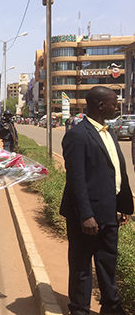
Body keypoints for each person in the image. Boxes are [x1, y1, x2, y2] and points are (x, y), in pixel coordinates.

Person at [60, 86, 133, 315]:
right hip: (87, 216)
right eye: (114, 103)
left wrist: (123, 206)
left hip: (109, 212)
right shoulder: (77, 135)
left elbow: (116, 171)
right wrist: (85, 215)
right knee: (82, 266)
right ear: (100, 105)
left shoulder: (108, 132)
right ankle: (79, 309)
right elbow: (76, 178)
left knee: (107, 263)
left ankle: (111, 306)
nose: (117, 107)